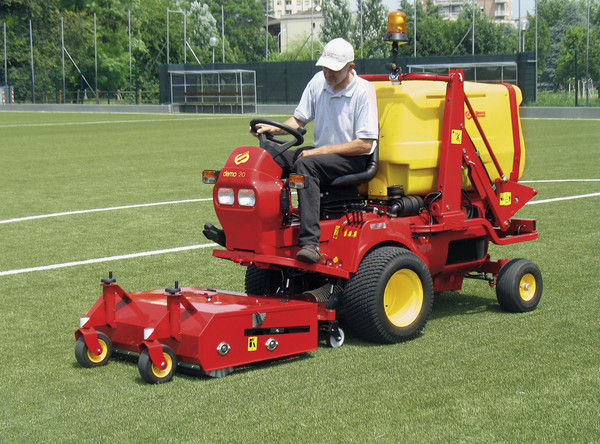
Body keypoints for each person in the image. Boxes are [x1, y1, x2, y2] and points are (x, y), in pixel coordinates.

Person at [252, 38, 379, 264]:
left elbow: (365, 144)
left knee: (305, 163)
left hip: (353, 158)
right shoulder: (318, 82)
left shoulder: (363, 91)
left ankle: (310, 243)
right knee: (268, 156)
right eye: (324, 68)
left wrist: (318, 152)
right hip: (322, 154)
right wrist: (271, 129)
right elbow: (299, 120)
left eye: (334, 70)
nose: (328, 73)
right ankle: (256, 230)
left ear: (350, 67)